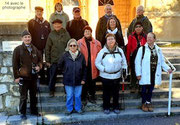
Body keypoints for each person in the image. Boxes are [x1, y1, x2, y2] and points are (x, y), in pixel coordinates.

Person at [135, 32, 172, 112]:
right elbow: (137, 62)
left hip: (154, 73)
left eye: (151, 37)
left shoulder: (158, 49)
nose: (149, 39)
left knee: (151, 89)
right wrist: (138, 73)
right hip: (144, 73)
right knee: (144, 89)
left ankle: (149, 102)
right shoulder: (142, 49)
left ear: (154, 39)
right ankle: (144, 103)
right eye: (148, 37)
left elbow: (162, 61)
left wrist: (168, 69)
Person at [12, 30, 43, 120]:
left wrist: (39, 67)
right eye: (25, 37)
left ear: (31, 38)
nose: (27, 38)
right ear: (22, 38)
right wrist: (16, 77)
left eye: (28, 37)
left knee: (33, 95)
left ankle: (34, 111)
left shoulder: (34, 49)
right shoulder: (18, 49)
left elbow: (40, 60)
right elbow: (15, 64)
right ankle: (23, 113)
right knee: (23, 96)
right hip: (23, 77)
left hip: (33, 77)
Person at [95, 33, 127, 114]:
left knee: (116, 93)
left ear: (115, 40)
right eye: (109, 39)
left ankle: (116, 107)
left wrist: (124, 71)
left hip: (117, 75)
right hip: (105, 76)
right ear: (106, 41)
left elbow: (124, 62)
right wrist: (104, 69)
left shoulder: (120, 51)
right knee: (106, 93)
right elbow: (97, 63)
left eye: (112, 39)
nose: (110, 41)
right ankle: (106, 107)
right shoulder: (102, 51)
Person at [58, 39, 86, 115]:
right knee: (69, 95)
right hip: (68, 79)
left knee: (77, 96)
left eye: (74, 45)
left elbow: (84, 68)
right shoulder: (65, 55)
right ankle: (69, 109)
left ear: (77, 46)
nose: (73, 47)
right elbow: (59, 65)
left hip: (79, 79)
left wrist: (83, 79)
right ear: (68, 47)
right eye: (71, 45)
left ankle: (78, 108)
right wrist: (65, 71)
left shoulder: (81, 55)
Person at [45, 19, 70, 97]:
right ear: (53, 25)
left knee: (66, 76)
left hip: (64, 59)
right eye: (55, 24)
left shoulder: (66, 34)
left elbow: (70, 45)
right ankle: (51, 90)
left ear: (61, 25)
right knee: (52, 76)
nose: (57, 26)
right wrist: (47, 60)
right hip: (54, 59)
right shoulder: (51, 34)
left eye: (58, 24)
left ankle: (67, 90)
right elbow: (47, 48)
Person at [77, 26, 102, 104]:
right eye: (85, 31)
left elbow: (100, 54)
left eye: (88, 31)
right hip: (84, 65)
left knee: (92, 82)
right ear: (83, 33)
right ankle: (84, 97)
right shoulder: (79, 42)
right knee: (84, 81)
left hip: (93, 65)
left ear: (91, 32)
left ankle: (92, 96)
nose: (87, 33)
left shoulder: (97, 43)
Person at [28, 6, 51, 84]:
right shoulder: (31, 22)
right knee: (39, 62)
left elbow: (49, 34)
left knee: (47, 62)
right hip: (36, 47)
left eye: (40, 11)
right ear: (35, 12)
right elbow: (29, 35)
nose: (39, 13)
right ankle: (41, 78)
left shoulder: (46, 23)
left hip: (46, 47)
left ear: (42, 12)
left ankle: (47, 78)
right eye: (37, 11)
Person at [126, 22, 147, 93]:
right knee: (133, 71)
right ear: (134, 28)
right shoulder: (131, 36)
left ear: (142, 28)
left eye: (139, 26)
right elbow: (128, 48)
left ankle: (141, 86)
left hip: (143, 56)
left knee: (142, 71)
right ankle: (133, 85)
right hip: (133, 55)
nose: (138, 28)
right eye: (136, 27)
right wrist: (128, 59)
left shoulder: (145, 36)